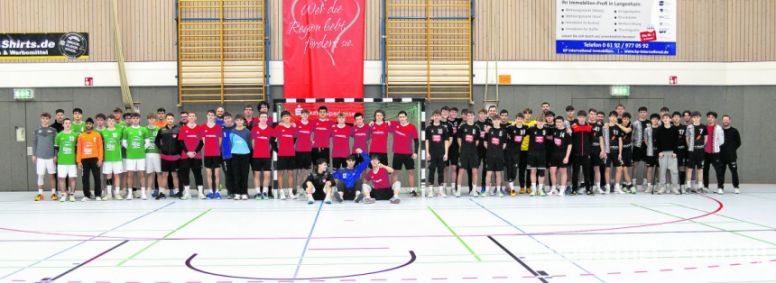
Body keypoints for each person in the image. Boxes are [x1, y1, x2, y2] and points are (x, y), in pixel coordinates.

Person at [390, 111, 419, 196]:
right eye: (400, 117)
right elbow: (383, 122)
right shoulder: (395, 125)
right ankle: (394, 191)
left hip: (408, 154)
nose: (402, 118)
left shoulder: (412, 127)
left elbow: (416, 141)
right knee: (395, 172)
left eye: (403, 117)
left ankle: (412, 191)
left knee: (410, 172)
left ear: (406, 117)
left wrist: (415, 152)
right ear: (398, 118)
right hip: (397, 153)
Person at [122, 113, 150, 200]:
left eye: (137, 118)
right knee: (130, 174)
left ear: (139, 119)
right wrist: (130, 149)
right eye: (133, 118)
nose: (135, 120)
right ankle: (130, 193)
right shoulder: (127, 130)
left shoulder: (144, 130)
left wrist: (141, 149)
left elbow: (147, 142)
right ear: (131, 120)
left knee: (141, 174)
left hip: (141, 156)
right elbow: (124, 142)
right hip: (130, 156)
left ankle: (143, 193)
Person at [178, 112, 205, 200]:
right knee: (185, 174)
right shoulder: (183, 128)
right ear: (188, 118)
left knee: (198, 174)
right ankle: (187, 193)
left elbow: (201, 142)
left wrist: (194, 152)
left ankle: (200, 193)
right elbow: (181, 142)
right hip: (185, 156)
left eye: (193, 116)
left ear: (195, 118)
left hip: (196, 156)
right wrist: (187, 152)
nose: (192, 117)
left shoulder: (199, 128)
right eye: (190, 116)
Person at [33, 113, 58, 201]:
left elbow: (56, 144)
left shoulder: (53, 130)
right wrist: (34, 155)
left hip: (51, 157)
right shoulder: (37, 131)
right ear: (40, 119)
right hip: (40, 157)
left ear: (49, 119)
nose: (45, 120)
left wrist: (55, 155)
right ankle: (40, 194)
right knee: (40, 175)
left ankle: (53, 193)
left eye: (46, 118)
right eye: (43, 118)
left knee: (52, 176)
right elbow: (34, 143)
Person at [155, 113, 181, 199]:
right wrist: (162, 148)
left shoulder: (178, 129)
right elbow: (156, 141)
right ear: (166, 120)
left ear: (174, 119)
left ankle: (177, 192)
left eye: (171, 118)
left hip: (175, 156)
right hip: (165, 156)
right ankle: (162, 192)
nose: (170, 120)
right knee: (164, 174)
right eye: (168, 118)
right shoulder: (161, 130)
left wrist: (179, 152)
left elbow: (181, 142)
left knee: (174, 174)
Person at [425, 110, 450, 197]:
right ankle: (430, 191)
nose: (436, 117)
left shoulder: (444, 128)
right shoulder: (428, 128)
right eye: (434, 116)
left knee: (441, 171)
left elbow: (446, 141)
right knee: (431, 171)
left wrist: (446, 153)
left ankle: (440, 190)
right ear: (432, 117)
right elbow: (427, 141)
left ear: (440, 117)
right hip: (432, 153)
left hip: (441, 153)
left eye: (438, 116)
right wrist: (427, 153)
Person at [77, 118, 103, 201]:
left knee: (97, 177)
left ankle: (98, 194)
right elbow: (79, 149)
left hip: (95, 159)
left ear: (92, 125)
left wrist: (100, 159)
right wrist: (79, 161)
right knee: (85, 178)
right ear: (85, 125)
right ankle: (86, 195)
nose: (88, 125)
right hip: (84, 159)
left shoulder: (97, 135)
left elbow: (100, 147)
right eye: (87, 124)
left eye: (90, 124)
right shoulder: (81, 135)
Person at [457, 110, 481, 197]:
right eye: (468, 115)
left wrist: (473, 147)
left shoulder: (476, 128)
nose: (470, 117)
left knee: (475, 171)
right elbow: (459, 138)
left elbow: (477, 140)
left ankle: (473, 191)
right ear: (466, 117)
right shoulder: (462, 127)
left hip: (473, 153)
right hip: (464, 152)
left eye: (471, 115)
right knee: (461, 171)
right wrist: (461, 147)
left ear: (474, 117)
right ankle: (458, 191)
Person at [274, 111, 297, 199]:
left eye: (288, 116)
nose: (287, 117)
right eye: (285, 116)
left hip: (291, 154)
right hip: (282, 154)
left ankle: (290, 192)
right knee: (280, 174)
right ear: (282, 118)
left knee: (290, 173)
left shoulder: (293, 128)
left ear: (290, 117)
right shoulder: (278, 128)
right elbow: (273, 140)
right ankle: (281, 192)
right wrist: (277, 150)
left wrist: (294, 126)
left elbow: (295, 139)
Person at [570, 111, 594, 195]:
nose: (582, 118)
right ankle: (574, 189)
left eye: (583, 117)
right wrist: (573, 151)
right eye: (580, 117)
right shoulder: (573, 127)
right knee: (575, 173)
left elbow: (591, 140)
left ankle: (588, 189)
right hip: (576, 154)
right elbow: (571, 140)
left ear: (586, 117)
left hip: (586, 155)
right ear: (577, 117)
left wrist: (589, 151)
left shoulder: (589, 127)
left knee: (587, 173)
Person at [229, 115, 252, 200]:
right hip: (235, 155)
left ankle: (244, 192)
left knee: (244, 174)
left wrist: (245, 150)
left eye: (241, 120)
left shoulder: (247, 131)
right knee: (236, 174)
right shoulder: (232, 131)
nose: (239, 122)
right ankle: (237, 193)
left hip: (245, 155)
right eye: (237, 120)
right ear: (235, 121)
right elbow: (231, 143)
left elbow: (250, 144)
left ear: (243, 121)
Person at [55, 119, 78, 202]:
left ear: (71, 125)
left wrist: (77, 159)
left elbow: (77, 148)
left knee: (72, 178)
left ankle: (72, 194)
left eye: (69, 123)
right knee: (61, 178)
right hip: (62, 161)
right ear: (63, 125)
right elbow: (56, 148)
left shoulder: (75, 135)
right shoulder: (59, 135)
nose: (67, 124)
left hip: (72, 161)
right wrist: (56, 157)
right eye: (66, 123)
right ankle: (63, 195)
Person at [484, 115, 508, 197]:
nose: (496, 121)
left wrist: (499, 151)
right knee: (488, 173)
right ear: (492, 121)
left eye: (498, 120)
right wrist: (491, 150)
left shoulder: (503, 131)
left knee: (498, 173)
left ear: (500, 121)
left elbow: (504, 144)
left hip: (499, 155)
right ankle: (487, 190)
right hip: (490, 155)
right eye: (495, 120)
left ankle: (498, 190)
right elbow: (485, 143)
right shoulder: (489, 130)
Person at [655, 114, 680, 195]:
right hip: (662, 153)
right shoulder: (659, 129)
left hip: (672, 153)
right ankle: (662, 187)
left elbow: (676, 142)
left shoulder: (674, 129)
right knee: (662, 171)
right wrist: (659, 151)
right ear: (662, 120)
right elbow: (657, 142)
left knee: (674, 171)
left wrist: (675, 152)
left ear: (670, 119)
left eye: (667, 118)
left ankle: (674, 187)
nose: (665, 119)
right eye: (664, 118)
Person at [251, 112, 273, 199]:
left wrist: (267, 151)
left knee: (267, 175)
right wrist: (257, 151)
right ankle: (258, 192)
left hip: (267, 155)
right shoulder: (254, 129)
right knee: (257, 175)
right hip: (257, 155)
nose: (263, 118)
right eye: (262, 117)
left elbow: (271, 144)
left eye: (265, 117)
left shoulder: (270, 129)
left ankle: (265, 192)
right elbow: (253, 143)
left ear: (267, 119)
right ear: (259, 118)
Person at [202, 110, 224, 199]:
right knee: (208, 174)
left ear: (214, 117)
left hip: (216, 153)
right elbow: (203, 141)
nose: (211, 116)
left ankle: (217, 192)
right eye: (209, 115)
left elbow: (219, 141)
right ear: (207, 116)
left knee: (217, 174)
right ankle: (211, 192)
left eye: (212, 115)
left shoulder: (218, 127)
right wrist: (209, 148)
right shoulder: (203, 127)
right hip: (207, 153)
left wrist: (215, 149)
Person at [702, 112, 726, 194]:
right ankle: (705, 186)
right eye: (708, 117)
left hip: (715, 153)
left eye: (712, 117)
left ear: (715, 119)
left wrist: (715, 146)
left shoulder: (718, 128)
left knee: (718, 170)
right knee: (705, 170)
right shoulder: (704, 127)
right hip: (705, 153)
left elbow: (721, 141)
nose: (710, 118)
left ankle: (720, 187)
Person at [101, 116, 124, 200]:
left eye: (112, 120)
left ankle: (117, 193)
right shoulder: (103, 132)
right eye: (109, 120)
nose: (111, 122)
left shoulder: (119, 131)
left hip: (117, 158)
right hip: (107, 158)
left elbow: (122, 143)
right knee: (108, 176)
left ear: (115, 122)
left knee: (117, 175)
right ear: (106, 122)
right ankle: (109, 194)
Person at [548, 117, 572, 196]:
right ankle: (554, 189)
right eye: (557, 122)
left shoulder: (567, 132)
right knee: (552, 171)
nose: (558, 123)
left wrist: (567, 157)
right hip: (553, 155)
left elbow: (570, 145)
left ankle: (562, 190)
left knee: (563, 172)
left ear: (563, 122)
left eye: (560, 122)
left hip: (563, 155)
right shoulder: (554, 130)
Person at [527, 114, 550, 196]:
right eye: (538, 121)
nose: (540, 123)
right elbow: (520, 132)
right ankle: (533, 190)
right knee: (533, 171)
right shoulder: (531, 129)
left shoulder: (547, 130)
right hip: (532, 154)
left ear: (544, 122)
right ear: (536, 121)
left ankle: (540, 190)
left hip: (542, 155)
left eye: (541, 121)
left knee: (541, 172)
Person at [506, 113, 528, 196]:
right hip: (508, 151)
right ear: (515, 119)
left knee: (515, 170)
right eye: (518, 119)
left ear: (523, 120)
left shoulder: (525, 128)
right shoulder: (510, 128)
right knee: (509, 169)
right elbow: (501, 129)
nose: (519, 120)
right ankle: (512, 188)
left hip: (517, 152)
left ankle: (512, 185)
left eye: (521, 119)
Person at [686, 111, 707, 193]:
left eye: (697, 117)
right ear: (692, 118)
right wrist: (690, 146)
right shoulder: (689, 127)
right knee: (690, 169)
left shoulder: (703, 127)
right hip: (692, 151)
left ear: (700, 117)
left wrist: (701, 146)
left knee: (700, 169)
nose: (696, 118)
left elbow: (706, 138)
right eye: (694, 117)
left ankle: (700, 186)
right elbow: (687, 138)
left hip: (700, 151)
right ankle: (688, 186)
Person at [295, 109, 314, 198]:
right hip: (299, 150)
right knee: (299, 171)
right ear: (301, 115)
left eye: (307, 114)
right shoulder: (296, 124)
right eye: (303, 114)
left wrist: (313, 141)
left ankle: (305, 188)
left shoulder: (311, 124)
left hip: (308, 150)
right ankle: (298, 190)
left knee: (306, 172)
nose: (305, 115)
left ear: (308, 115)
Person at [720, 115, 741, 194]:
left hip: (732, 156)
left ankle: (736, 187)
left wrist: (731, 149)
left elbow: (738, 142)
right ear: (722, 121)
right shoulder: (720, 130)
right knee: (721, 173)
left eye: (727, 120)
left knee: (734, 172)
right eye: (724, 120)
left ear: (730, 121)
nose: (725, 121)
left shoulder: (734, 131)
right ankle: (720, 187)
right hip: (721, 156)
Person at [588, 109, 607, 195]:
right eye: (591, 114)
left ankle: (598, 187)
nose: (592, 116)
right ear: (589, 114)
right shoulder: (585, 124)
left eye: (594, 114)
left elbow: (601, 139)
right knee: (587, 169)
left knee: (597, 168)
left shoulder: (599, 126)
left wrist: (602, 150)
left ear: (596, 116)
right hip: (587, 150)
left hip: (597, 150)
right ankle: (588, 187)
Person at [145, 114, 163, 199]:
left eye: (153, 119)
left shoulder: (159, 129)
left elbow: (162, 142)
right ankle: (148, 190)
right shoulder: (144, 129)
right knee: (149, 173)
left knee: (159, 173)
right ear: (147, 120)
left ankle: (161, 190)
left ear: (156, 120)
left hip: (157, 153)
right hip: (147, 153)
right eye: (150, 119)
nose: (151, 120)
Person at [445, 107, 462, 194]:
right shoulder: (444, 121)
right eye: (452, 112)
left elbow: (468, 117)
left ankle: (453, 187)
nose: (453, 113)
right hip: (446, 147)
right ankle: (444, 187)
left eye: (455, 112)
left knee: (454, 168)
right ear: (449, 113)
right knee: (446, 168)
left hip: (455, 148)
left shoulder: (459, 121)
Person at [519, 108, 537, 194]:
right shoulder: (519, 123)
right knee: (521, 169)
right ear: (523, 115)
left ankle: (529, 187)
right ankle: (522, 187)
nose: (527, 115)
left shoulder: (534, 123)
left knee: (529, 169)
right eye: (525, 113)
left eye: (529, 113)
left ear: (531, 115)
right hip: (521, 150)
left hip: (531, 151)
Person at [632, 106, 649, 191]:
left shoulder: (650, 123)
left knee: (647, 165)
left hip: (647, 147)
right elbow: (631, 135)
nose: (643, 113)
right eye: (641, 112)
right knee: (635, 164)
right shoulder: (635, 123)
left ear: (646, 113)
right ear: (639, 113)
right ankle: (634, 183)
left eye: (644, 112)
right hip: (637, 146)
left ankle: (645, 183)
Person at [643, 114, 660, 193]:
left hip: (659, 152)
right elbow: (645, 139)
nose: (655, 120)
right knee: (650, 169)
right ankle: (649, 186)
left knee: (658, 169)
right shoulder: (647, 129)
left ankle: (658, 185)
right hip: (650, 152)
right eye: (653, 119)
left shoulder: (661, 129)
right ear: (651, 120)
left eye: (656, 119)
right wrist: (650, 147)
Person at [672, 112, 688, 193]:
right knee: (673, 170)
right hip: (672, 152)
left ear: (680, 118)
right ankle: (674, 186)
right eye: (674, 117)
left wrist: (687, 151)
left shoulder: (684, 127)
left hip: (682, 151)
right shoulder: (670, 127)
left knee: (682, 168)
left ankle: (682, 185)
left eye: (678, 117)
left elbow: (687, 140)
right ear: (672, 118)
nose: (676, 118)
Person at [220, 112, 235, 198]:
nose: (227, 120)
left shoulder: (236, 127)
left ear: (231, 118)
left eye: (229, 118)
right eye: (225, 119)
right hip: (226, 155)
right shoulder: (221, 129)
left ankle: (238, 191)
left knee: (237, 173)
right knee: (228, 174)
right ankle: (230, 191)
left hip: (237, 154)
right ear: (223, 120)